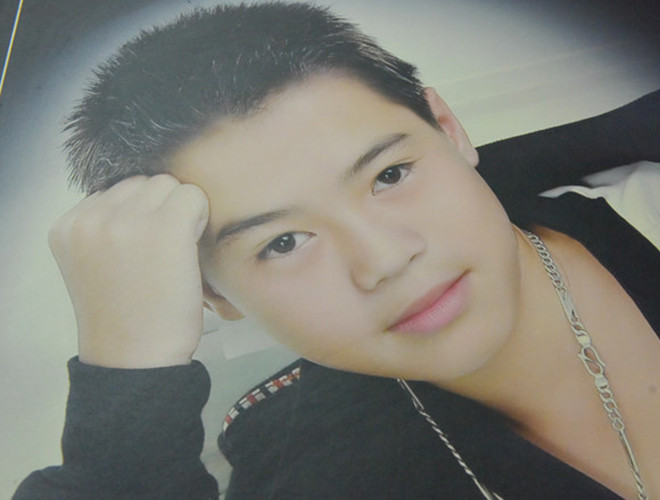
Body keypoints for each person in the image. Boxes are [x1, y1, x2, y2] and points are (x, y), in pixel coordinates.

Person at [13, 2, 660, 499]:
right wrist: (125, 374)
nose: (384, 260)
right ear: (210, 293)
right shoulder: (306, 469)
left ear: (448, 129)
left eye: (390, 175)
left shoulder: (644, 201)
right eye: (283, 243)